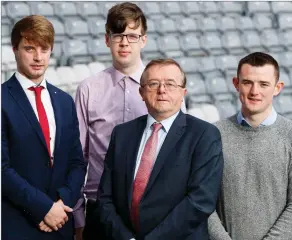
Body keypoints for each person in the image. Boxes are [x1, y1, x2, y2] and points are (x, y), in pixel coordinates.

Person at [73, 3, 186, 239]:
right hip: (99, 211)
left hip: (153, 213)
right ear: (107, 40)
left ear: (143, 40)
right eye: (118, 35)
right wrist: (78, 217)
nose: (125, 43)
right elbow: (77, 158)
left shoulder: (168, 90)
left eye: (132, 36)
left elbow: (178, 155)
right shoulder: (88, 89)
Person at [97, 58, 224, 240]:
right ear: (141, 92)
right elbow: (105, 198)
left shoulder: (204, 135)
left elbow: (200, 201)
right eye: (153, 83)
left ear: (183, 93)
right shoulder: (122, 134)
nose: (162, 90)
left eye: (170, 84)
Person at [2, 15, 87, 240]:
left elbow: (77, 162)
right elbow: (2, 169)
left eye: (44, 49)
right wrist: (43, 209)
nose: (38, 57)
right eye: (30, 49)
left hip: (61, 223)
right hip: (17, 225)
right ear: (15, 50)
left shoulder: (65, 101)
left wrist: (61, 204)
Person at [208, 52, 292, 240]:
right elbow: (203, 200)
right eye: (247, 82)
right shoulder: (213, 135)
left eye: (264, 84)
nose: (255, 91)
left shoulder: (290, 135)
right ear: (236, 84)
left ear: (278, 88)